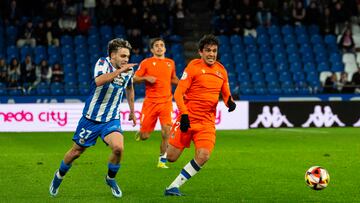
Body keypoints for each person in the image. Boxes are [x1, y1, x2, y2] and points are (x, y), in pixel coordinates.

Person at [49, 38, 137, 198]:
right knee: (76, 152)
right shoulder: (103, 63)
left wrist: (132, 110)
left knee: (118, 148)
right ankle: (58, 176)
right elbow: (98, 81)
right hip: (90, 119)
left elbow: (130, 88)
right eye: (123, 56)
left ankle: (110, 179)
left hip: (111, 119)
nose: (126, 60)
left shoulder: (128, 71)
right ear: (113, 55)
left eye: (127, 57)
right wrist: (119, 71)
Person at [164, 34, 236, 196]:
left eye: (214, 51)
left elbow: (226, 94)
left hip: (206, 123)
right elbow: (178, 94)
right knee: (171, 157)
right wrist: (183, 115)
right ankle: (168, 136)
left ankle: (173, 187)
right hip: (187, 119)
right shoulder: (193, 67)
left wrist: (229, 103)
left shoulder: (221, 70)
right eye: (208, 51)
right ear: (200, 52)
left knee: (203, 155)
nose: (211, 54)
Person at [133, 38, 179, 169]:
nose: (159, 47)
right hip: (151, 103)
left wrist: (184, 84)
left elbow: (173, 78)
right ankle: (141, 132)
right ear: (152, 49)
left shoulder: (170, 63)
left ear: (164, 48)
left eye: (162, 45)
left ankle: (161, 160)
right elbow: (134, 78)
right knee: (145, 136)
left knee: (166, 132)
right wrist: (145, 78)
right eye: (156, 46)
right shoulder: (146, 63)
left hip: (166, 102)